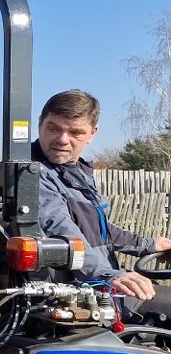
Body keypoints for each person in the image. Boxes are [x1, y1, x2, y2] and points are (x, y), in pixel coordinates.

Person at [33, 89, 171, 313]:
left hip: (98, 285)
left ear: (92, 133)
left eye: (75, 132)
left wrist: (149, 245)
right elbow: (61, 231)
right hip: (75, 295)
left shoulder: (75, 173)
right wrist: (106, 275)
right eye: (53, 128)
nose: (62, 139)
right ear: (40, 124)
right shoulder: (30, 173)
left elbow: (99, 230)